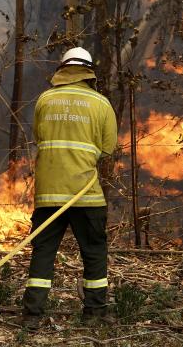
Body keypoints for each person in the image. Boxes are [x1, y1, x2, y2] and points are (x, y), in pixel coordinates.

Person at [21, 47, 118, 330]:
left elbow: (40, 137)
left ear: (62, 70)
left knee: (43, 251)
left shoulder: (45, 100)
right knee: (94, 251)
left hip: (48, 194)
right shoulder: (101, 103)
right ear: (89, 72)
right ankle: (95, 312)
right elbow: (107, 148)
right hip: (86, 194)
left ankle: (32, 316)